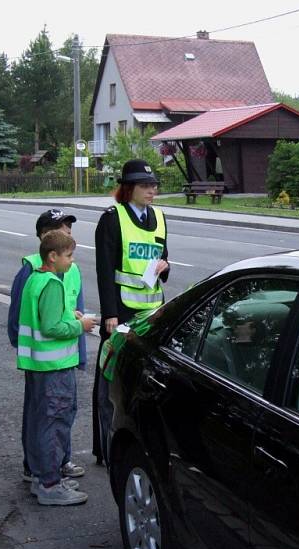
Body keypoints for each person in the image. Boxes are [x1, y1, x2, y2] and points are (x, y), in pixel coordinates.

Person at [92, 159, 170, 464]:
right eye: (144, 186)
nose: (152, 191)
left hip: (153, 313)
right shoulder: (112, 219)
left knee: (145, 381)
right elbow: (103, 269)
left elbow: (163, 258)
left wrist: (166, 267)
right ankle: (105, 448)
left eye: (153, 185)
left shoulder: (161, 218)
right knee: (108, 382)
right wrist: (109, 313)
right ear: (128, 189)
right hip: (122, 313)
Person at [8, 209, 87, 486]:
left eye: (68, 227)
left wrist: (75, 322)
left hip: (59, 357)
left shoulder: (69, 270)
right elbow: (27, 319)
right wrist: (79, 326)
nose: (67, 232)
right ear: (46, 240)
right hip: (47, 360)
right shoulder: (34, 271)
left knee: (59, 413)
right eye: (60, 228)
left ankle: (56, 465)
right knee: (47, 416)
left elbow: (71, 306)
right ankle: (44, 474)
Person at [17, 230, 97, 505]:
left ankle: (43, 476)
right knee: (54, 422)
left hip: (42, 365)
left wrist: (68, 313)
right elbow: (51, 327)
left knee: (43, 420)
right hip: (54, 366)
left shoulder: (37, 278)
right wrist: (80, 325)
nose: (72, 261)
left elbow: (45, 317)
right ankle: (50, 485)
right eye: (68, 255)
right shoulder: (52, 283)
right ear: (52, 257)